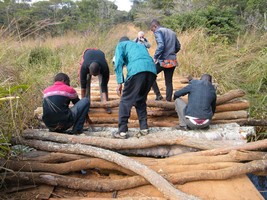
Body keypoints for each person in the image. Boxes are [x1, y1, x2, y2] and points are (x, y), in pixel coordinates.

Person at [113, 36, 157, 139]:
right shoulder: (140, 45)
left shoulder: (121, 45)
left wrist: (120, 82)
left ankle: (122, 131)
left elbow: (118, 62)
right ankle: (144, 128)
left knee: (125, 100)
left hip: (137, 71)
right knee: (140, 99)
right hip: (151, 71)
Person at [150, 19, 181, 101]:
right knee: (169, 82)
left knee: (150, 74)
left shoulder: (158, 31)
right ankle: (168, 101)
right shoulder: (172, 32)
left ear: (155, 26)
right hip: (172, 61)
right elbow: (178, 46)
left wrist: (155, 57)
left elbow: (161, 45)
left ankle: (158, 95)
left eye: (152, 30)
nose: (153, 32)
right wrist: (172, 53)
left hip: (163, 61)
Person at [79, 48, 111, 113]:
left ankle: (105, 104)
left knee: (102, 82)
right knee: (87, 82)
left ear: (100, 69)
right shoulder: (84, 67)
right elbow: (83, 87)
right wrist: (82, 103)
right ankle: (86, 104)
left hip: (100, 56)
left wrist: (105, 102)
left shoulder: (104, 66)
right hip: (88, 55)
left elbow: (104, 84)